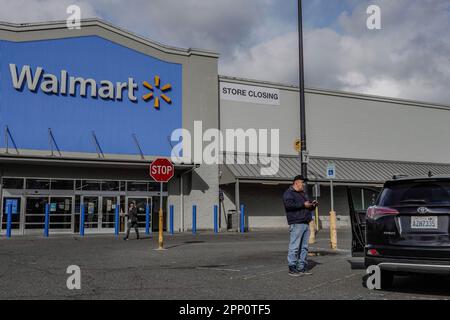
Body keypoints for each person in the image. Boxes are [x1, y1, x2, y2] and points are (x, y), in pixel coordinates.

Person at [282, 175, 318, 277]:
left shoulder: (303, 194)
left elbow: (307, 207)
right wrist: (303, 205)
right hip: (296, 223)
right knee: (294, 247)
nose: (303, 184)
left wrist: (312, 205)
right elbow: (289, 206)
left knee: (304, 247)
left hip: (305, 222)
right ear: (296, 182)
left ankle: (301, 267)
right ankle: (292, 268)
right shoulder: (288, 193)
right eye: (302, 182)